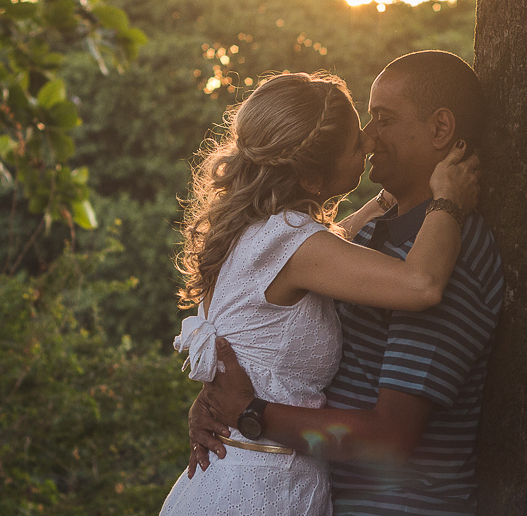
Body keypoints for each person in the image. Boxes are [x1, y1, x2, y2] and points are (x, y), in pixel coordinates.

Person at [187, 51, 504, 516]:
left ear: (440, 129)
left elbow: (391, 439)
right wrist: (219, 402)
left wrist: (248, 414)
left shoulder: (448, 252)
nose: (368, 137)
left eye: (383, 119)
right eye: (363, 129)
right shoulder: (349, 242)